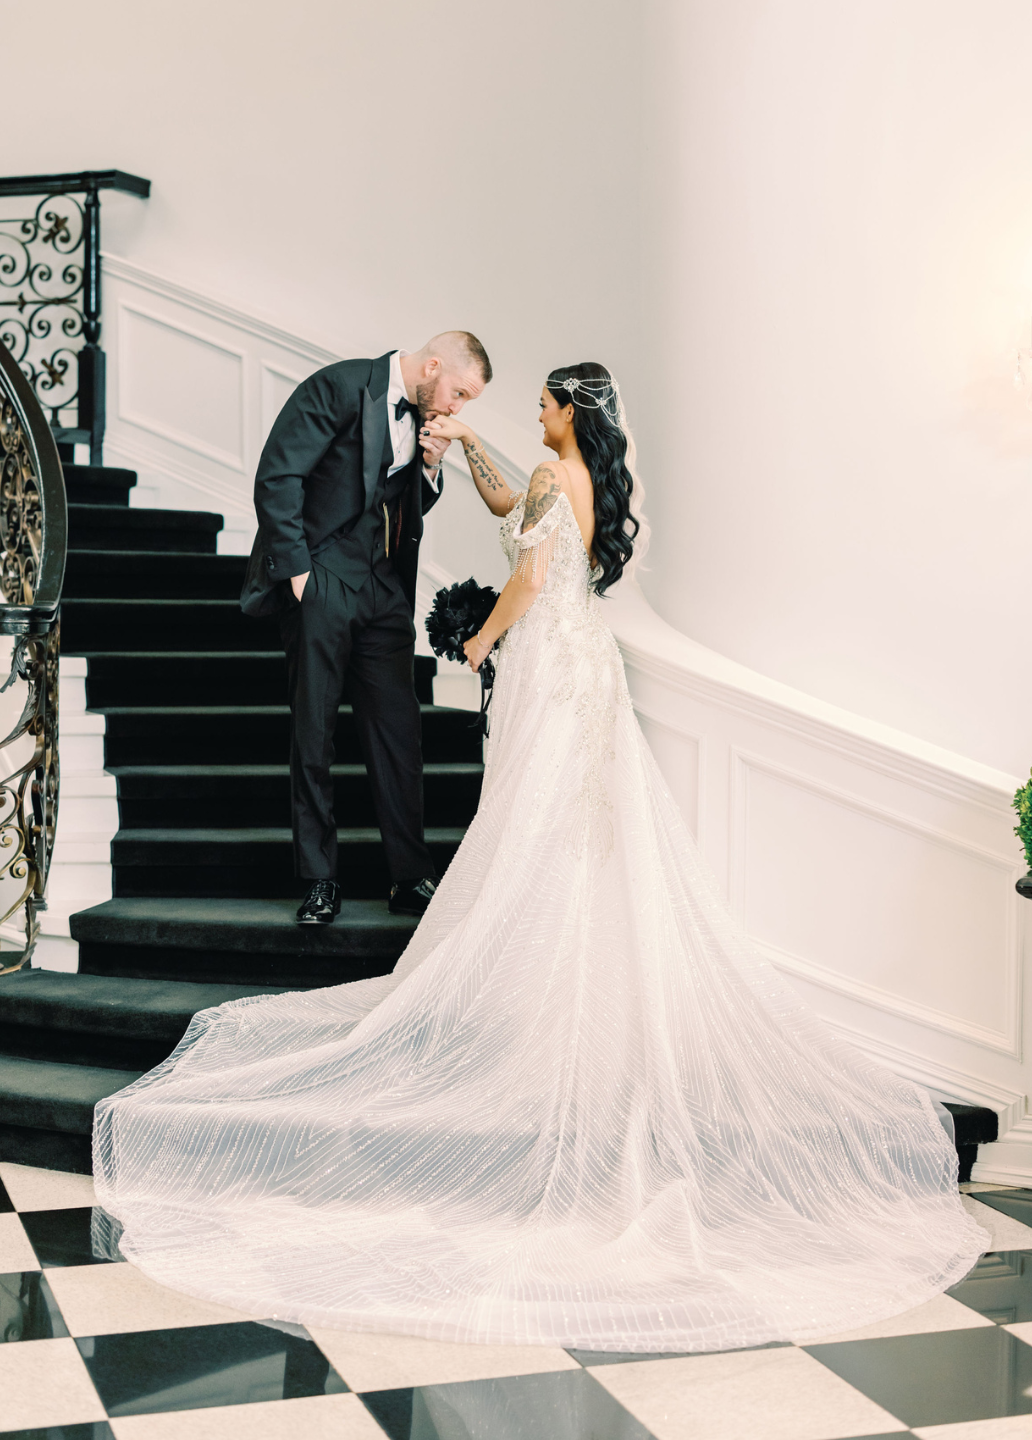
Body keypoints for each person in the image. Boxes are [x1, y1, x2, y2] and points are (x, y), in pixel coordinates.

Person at [96, 362, 988, 1352]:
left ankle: (547, 1006)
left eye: (544, 403)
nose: (533, 411)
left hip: (550, 661)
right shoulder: (563, 476)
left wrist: (476, 639)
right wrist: (473, 454)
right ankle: (547, 990)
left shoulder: (560, 481)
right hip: (572, 659)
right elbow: (512, 505)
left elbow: (527, 572)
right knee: (556, 829)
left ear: (574, 410)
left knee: (547, 827)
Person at [239, 332, 492, 924]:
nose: (457, 407)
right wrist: (301, 577)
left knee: (399, 736)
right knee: (315, 732)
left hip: (383, 591)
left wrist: (429, 470)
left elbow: (398, 503)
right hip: (323, 582)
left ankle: (409, 876)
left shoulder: (426, 421)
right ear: (433, 366)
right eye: (458, 392)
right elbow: (278, 477)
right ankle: (320, 878)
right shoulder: (339, 385)